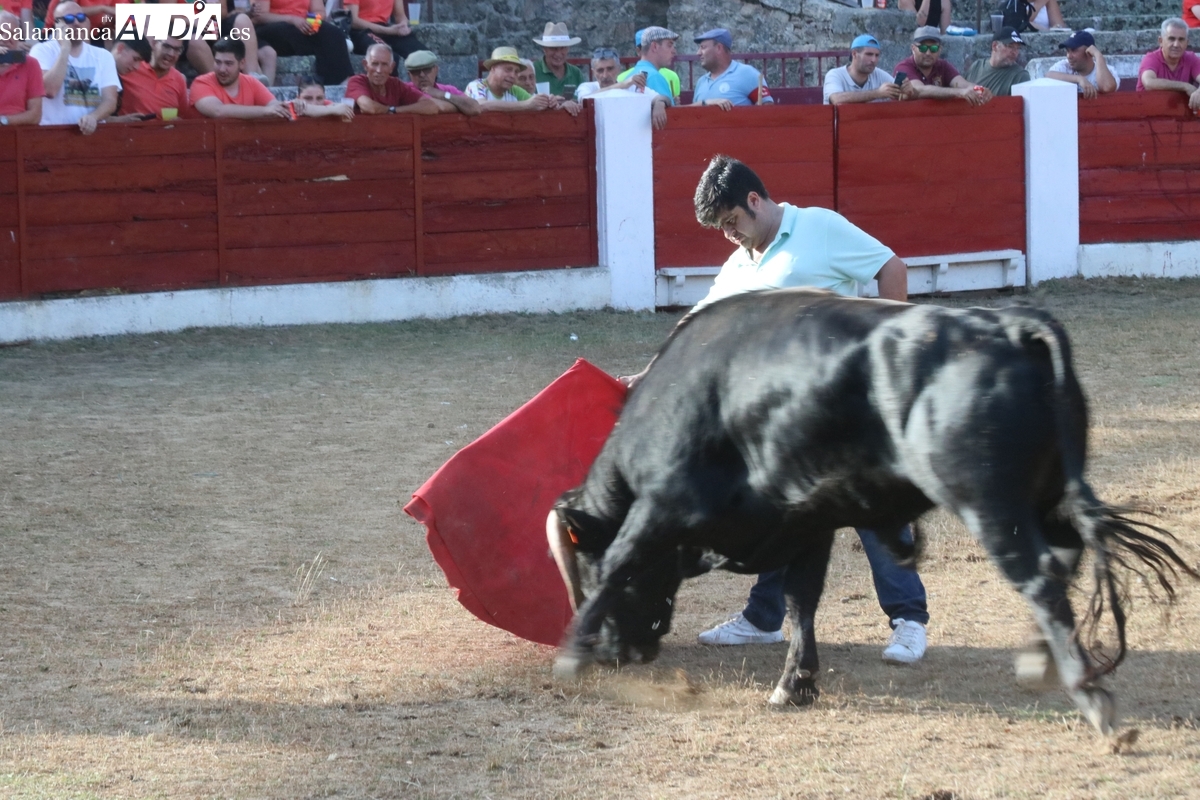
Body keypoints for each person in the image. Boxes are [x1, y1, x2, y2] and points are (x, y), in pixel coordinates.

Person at [622, 153, 929, 664]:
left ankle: (909, 621)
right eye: (721, 228)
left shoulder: (819, 227)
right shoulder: (740, 263)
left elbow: (890, 267)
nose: (729, 235)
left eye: (731, 222)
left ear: (755, 200)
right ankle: (764, 619)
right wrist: (651, 373)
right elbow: (698, 325)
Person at [30, 2, 119, 135]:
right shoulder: (41, 51)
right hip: (52, 134)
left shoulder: (103, 56)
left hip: (93, 134)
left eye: (81, 17)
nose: (77, 23)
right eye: (69, 19)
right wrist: (65, 49)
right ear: (57, 25)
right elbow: (49, 90)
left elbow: (110, 100)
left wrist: (93, 117)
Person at [251, 0, 354, 86]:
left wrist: (312, 22)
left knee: (334, 33)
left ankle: (338, 83)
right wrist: (291, 19)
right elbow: (260, 16)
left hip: (302, 26)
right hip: (273, 27)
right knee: (287, 30)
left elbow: (320, 11)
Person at [190, 37, 292, 119]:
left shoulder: (251, 82)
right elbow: (218, 111)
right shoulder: (201, 83)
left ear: (242, 63)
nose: (222, 69)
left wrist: (296, 105)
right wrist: (265, 111)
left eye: (228, 63)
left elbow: (274, 105)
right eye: (218, 62)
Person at [894, 26, 992, 104]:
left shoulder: (943, 65)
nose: (928, 53)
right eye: (923, 48)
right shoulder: (903, 67)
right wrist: (960, 92)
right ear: (913, 49)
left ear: (940, 50)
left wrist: (979, 90)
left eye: (933, 48)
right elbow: (920, 90)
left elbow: (961, 84)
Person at [345, 42, 439, 115]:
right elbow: (369, 107)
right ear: (366, 65)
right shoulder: (357, 81)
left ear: (392, 67)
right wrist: (391, 110)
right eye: (375, 64)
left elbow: (431, 106)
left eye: (384, 64)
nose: (379, 70)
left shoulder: (395, 85)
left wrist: (394, 110)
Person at [690, 27, 772, 109]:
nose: (698, 53)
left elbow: (767, 111)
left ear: (719, 48)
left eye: (703, 47)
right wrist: (705, 103)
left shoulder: (747, 74)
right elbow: (690, 114)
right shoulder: (701, 82)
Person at [114, 36, 188, 119]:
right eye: (166, 46)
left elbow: (183, 116)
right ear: (154, 43)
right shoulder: (131, 67)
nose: (171, 53)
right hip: (129, 130)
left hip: (166, 131)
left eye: (177, 49)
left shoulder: (179, 79)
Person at [463, 46, 556, 112]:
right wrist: (526, 105)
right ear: (493, 68)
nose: (512, 75)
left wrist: (552, 102)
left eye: (516, 72)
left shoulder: (514, 90)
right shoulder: (477, 85)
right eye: (508, 69)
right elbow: (481, 105)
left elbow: (536, 103)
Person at [823, 34, 907, 104]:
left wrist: (908, 91)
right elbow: (837, 99)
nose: (873, 60)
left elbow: (901, 94)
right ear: (854, 54)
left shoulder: (878, 74)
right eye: (869, 54)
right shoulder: (835, 74)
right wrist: (877, 93)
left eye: (877, 55)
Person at [1138, 17, 1200, 112]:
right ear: (1161, 41)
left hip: (1180, 118)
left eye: (1181, 40)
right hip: (1148, 116)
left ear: (1187, 43)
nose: (1176, 44)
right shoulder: (1151, 58)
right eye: (1171, 39)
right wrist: (1185, 86)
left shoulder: (1191, 58)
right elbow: (1149, 83)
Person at [345, 0, 424, 65]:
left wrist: (403, 25)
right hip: (361, 30)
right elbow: (353, 21)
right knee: (387, 57)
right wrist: (388, 30)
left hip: (385, 28)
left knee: (423, 55)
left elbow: (400, 16)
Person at [403, 50, 480, 115]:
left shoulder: (448, 90)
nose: (422, 75)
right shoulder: (403, 90)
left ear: (435, 70)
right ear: (409, 74)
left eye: (427, 70)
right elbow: (434, 106)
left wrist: (442, 94)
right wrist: (458, 106)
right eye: (416, 71)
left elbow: (475, 108)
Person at [1046, 30, 1118, 97]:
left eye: (1074, 50)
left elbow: (1107, 88)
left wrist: (1098, 56)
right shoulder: (1065, 65)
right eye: (1068, 51)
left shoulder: (1106, 70)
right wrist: (1079, 79)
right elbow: (1048, 76)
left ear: (1089, 52)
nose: (1069, 56)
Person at [964, 26, 1031, 97]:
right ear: (995, 46)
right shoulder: (977, 66)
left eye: (1018, 48)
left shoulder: (1020, 76)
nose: (1015, 52)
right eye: (1010, 46)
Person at [0, 10, 41, 126]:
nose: (3, 38)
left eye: (10, 34)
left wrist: (3, 121)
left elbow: (35, 115)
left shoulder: (30, 64)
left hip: (18, 135)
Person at [221, 0, 277, 85]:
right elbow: (222, 12)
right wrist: (234, 13)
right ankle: (253, 80)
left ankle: (266, 94)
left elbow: (242, 10)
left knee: (269, 54)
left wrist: (250, 11)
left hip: (240, 26)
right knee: (242, 20)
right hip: (223, 26)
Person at [618, 28, 681, 102]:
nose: (674, 51)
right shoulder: (654, 77)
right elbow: (668, 113)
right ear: (654, 46)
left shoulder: (630, 76)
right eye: (669, 45)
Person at [532, 21, 585, 100]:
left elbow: (584, 100)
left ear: (568, 49)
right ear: (544, 49)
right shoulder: (532, 71)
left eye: (563, 48)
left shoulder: (576, 73)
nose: (558, 54)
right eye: (553, 48)